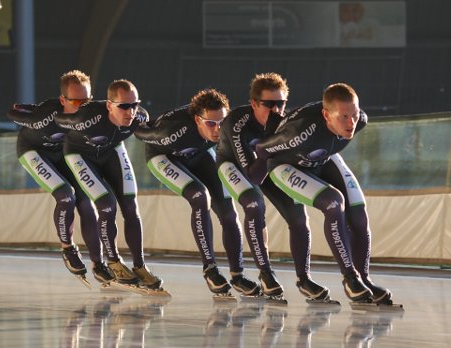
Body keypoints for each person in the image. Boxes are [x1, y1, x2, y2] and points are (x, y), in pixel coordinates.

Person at [256, 83, 393, 304]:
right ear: (326, 116)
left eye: (354, 115)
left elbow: (349, 123)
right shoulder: (300, 132)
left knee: (358, 213)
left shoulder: (360, 121)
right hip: (287, 165)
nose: (351, 124)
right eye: (344, 117)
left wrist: (349, 120)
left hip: (322, 159)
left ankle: (364, 279)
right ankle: (349, 277)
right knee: (333, 203)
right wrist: (253, 182)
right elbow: (262, 149)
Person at [134, 88, 260, 297]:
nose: (217, 129)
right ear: (197, 120)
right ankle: (210, 269)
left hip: (199, 155)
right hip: (164, 157)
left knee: (228, 212)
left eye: (222, 122)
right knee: (200, 196)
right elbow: (140, 134)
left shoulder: (225, 127)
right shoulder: (172, 132)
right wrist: (140, 123)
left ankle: (238, 275)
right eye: (211, 123)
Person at [217, 72, 328, 301]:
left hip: (267, 165)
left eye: (281, 103)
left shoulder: (285, 123)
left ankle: (304, 278)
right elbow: (254, 176)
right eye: (269, 104)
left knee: (298, 216)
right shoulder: (237, 125)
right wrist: (270, 139)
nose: (276, 110)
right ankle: (265, 273)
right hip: (235, 165)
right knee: (254, 205)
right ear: (254, 104)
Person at [54, 79, 163, 291]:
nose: (130, 111)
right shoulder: (88, 117)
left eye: (134, 104)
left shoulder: (140, 117)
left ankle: (140, 266)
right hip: (80, 155)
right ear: (109, 105)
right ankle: (113, 261)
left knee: (131, 207)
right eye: (123, 106)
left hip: (111, 151)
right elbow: (59, 119)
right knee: (107, 205)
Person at [7, 70, 112, 283]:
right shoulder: (46, 116)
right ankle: (68, 248)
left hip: (62, 153)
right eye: (75, 101)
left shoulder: (91, 111)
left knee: (86, 202)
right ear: (63, 100)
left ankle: (98, 263)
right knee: (66, 196)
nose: (82, 106)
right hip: (33, 151)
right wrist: (27, 111)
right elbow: (12, 113)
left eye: (87, 100)